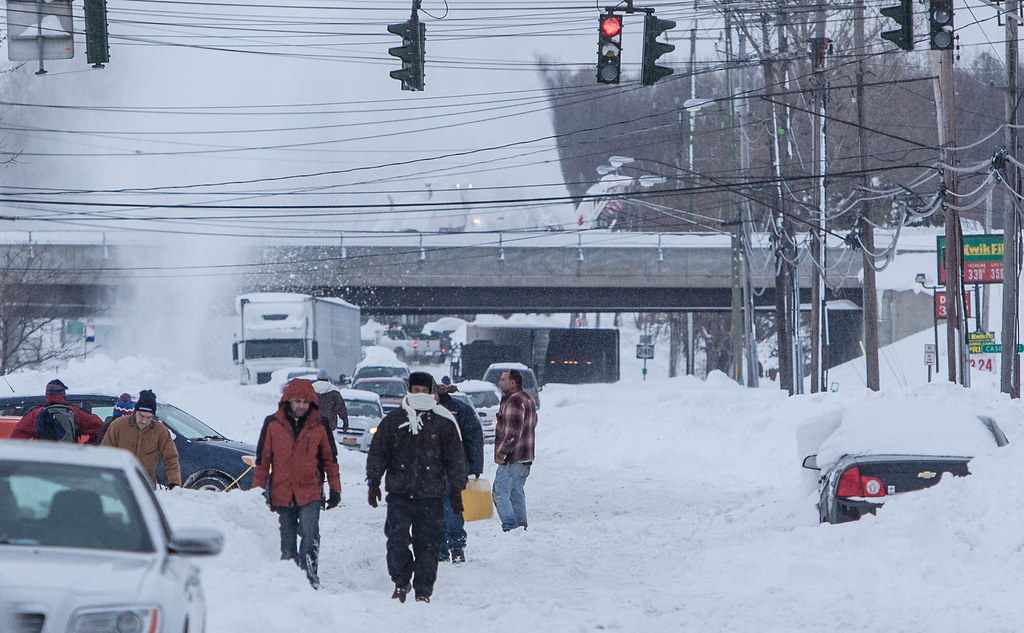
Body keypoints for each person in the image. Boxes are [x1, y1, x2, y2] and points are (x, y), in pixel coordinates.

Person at [365, 372, 466, 603]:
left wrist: (457, 492)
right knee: (396, 541)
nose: (420, 395)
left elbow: (454, 459)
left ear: (432, 393)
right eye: (415, 390)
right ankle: (401, 582)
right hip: (400, 494)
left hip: (431, 496)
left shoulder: (443, 421)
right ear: (409, 391)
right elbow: (379, 451)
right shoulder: (394, 420)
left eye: (424, 390)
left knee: (428, 546)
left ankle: (423, 591)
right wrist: (373, 481)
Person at [254, 378, 341, 590]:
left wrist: (335, 488)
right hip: (282, 492)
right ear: (288, 401)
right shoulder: (272, 424)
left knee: (310, 534)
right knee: (287, 543)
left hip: (310, 491)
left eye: (305, 401)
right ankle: (290, 582)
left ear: (311, 402)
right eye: (297, 401)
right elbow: (262, 461)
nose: (301, 405)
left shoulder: (320, 425)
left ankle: (310, 575)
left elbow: (330, 460)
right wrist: (256, 493)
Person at [435, 379, 483, 564]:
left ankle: (454, 545)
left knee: (451, 507)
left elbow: (473, 438)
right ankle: (445, 547)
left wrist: (475, 467)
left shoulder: (459, 410)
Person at [101, 390, 182, 490]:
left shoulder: (160, 431)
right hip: (119, 485)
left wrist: (174, 483)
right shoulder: (118, 426)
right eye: (141, 416)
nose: (144, 421)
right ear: (135, 412)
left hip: (146, 487)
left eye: (148, 418)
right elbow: (105, 453)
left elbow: (170, 458)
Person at [492, 369, 538, 532]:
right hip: (526, 457)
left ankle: (510, 526)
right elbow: (532, 424)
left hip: (513, 458)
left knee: (499, 492)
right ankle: (521, 526)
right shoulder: (528, 399)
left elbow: (512, 432)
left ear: (513, 383)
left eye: (503, 380)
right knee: (516, 492)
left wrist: (501, 452)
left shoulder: (514, 401)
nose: (500, 382)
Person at [10, 379, 103, 443]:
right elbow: (101, 429)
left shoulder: (35, 414)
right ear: (63, 395)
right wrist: (87, 447)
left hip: (45, 462)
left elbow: (17, 436)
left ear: (47, 395)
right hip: (69, 461)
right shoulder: (76, 413)